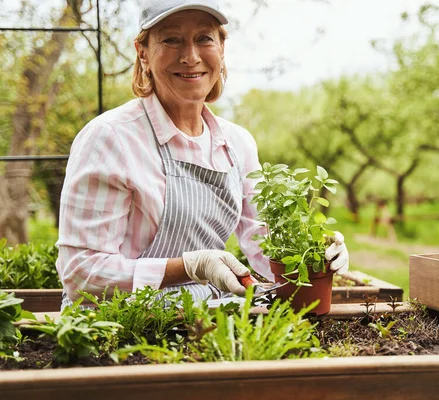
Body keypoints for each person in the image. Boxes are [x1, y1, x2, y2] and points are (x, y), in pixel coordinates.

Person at [56, 0, 349, 308]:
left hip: (209, 323)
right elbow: (81, 275)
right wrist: (190, 267)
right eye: (172, 39)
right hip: (120, 333)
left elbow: (267, 251)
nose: (190, 56)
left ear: (221, 49)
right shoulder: (111, 138)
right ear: (143, 54)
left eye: (204, 38)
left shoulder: (237, 143)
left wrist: (316, 255)